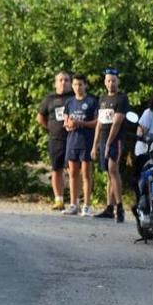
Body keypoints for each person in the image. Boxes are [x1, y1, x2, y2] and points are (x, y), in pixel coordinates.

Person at [91, 68, 130, 222]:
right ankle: (109, 206)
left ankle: (119, 207)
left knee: (114, 170)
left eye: (113, 80)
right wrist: (95, 145)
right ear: (104, 82)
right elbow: (99, 124)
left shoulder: (122, 99)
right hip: (103, 139)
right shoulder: (102, 99)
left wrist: (108, 143)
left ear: (118, 81)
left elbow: (117, 122)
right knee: (108, 173)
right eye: (108, 80)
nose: (111, 83)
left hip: (116, 140)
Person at [62, 73, 98, 216]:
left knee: (86, 175)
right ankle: (73, 204)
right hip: (72, 141)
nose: (78, 87)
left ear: (85, 85)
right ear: (72, 85)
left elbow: (96, 123)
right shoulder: (69, 102)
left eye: (80, 84)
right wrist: (69, 125)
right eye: (75, 84)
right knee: (72, 174)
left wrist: (80, 123)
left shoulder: (91, 102)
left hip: (86, 142)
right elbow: (65, 122)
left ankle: (87, 206)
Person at [36, 71, 72, 210]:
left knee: (74, 170)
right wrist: (51, 128)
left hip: (72, 138)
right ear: (55, 83)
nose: (63, 82)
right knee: (56, 169)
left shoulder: (74, 97)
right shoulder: (49, 99)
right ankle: (59, 200)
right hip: (56, 139)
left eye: (66, 80)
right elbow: (40, 118)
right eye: (61, 80)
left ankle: (75, 200)